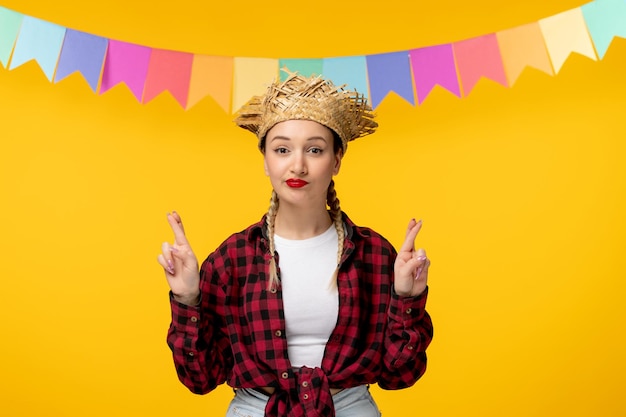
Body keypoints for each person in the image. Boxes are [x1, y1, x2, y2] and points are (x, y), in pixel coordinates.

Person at [157, 71, 433, 417]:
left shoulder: (375, 255)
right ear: (266, 161)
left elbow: (401, 374)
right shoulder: (232, 259)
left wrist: (408, 299)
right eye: (282, 149)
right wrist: (187, 298)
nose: (297, 165)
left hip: (349, 408)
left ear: (336, 161)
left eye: (314, 149)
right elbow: (200, 378)